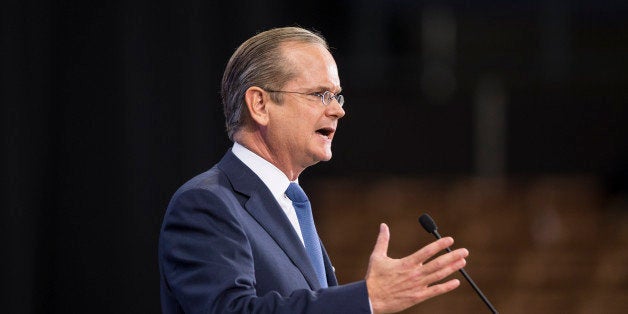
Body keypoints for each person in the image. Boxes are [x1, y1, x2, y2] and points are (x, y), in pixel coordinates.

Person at [158, 26, 469, 314]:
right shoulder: (205, 203)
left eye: (337, 96)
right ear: (260, 105)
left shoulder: (291, 204)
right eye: (320, 95)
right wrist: (365, 299)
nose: (338, 109)